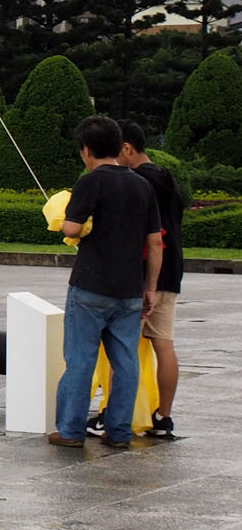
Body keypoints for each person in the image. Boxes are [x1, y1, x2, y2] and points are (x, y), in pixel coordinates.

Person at [49, 115, 163, 450]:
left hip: (90, 285)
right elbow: (155, 241)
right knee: (125, 362)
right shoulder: (143, 185)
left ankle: (70, 431)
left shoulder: (91, 182)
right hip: (130, 288)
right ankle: (119, 431)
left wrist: (70, 221)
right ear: (118, 147)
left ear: (86, 151)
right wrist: (150, 287)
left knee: (81, 360)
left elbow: (71, 228)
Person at [95, 119, 183, 440]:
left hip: (141, 274)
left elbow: (142, 236)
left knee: (121, 347)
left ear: (126, 149)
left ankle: (111, 415)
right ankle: (164, 418)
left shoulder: (134, 183)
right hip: (172, 272)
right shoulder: (168, 179)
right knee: (164, 346)